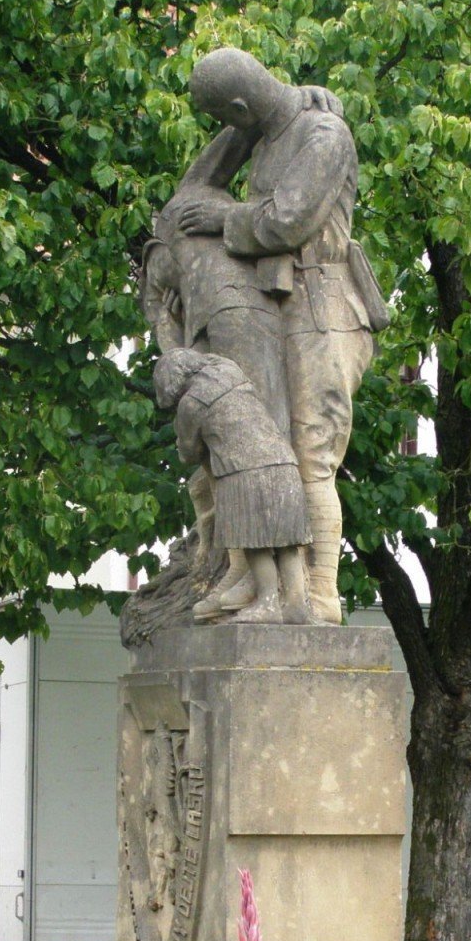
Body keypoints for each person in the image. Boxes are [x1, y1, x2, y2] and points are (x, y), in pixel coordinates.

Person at [174, 48, 388, 624]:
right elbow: (193, 188)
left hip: (326, 310)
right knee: (258, 454)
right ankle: (248, 580)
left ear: (241, 106)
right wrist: (254, 122)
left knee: (310, 458)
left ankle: (319, 595)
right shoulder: (270, 133)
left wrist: (225, 220)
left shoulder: (324, 133)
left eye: (228, 118)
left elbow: (286, 220)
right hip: (283, 305)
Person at [139, 182, 289, 617]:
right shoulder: (195, 316)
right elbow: (178, 365)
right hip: (260, 467)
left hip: (260, 467)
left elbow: (193, 433)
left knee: (238, 482)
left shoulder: (221, 285)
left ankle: (275, 591)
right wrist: (170, 325)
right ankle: (263, 585)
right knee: (221, 482)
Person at [153, 348, 312, 625]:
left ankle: (267, 603)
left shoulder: (191, 404)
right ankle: (296, 604)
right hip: (284, 463)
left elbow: (188, 452)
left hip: (242, 470)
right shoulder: (228, 370)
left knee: (254, 541)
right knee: (287, 542)